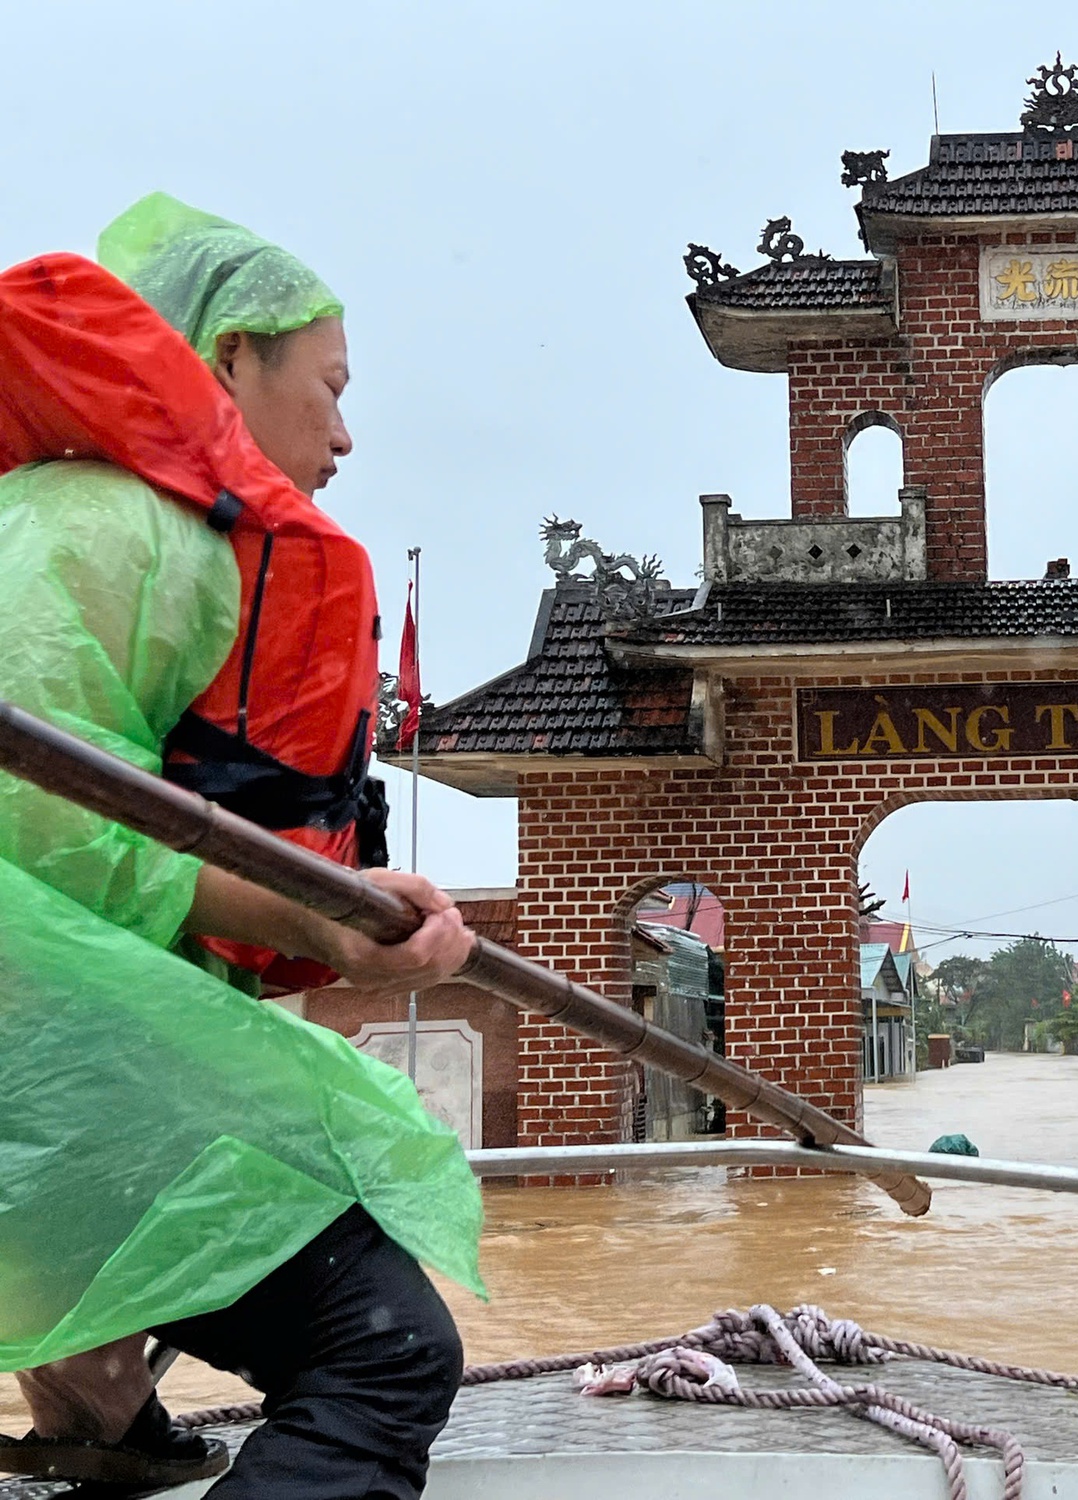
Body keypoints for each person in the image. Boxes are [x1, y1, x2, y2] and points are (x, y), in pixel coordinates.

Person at [0, 195, 483, 1497]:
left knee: (267, 1178)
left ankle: (96, 1416)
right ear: (226, 358)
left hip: (65, 1080)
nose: (343, 431)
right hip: (40, 1088)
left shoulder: (133, 534)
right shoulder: (100, 525)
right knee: (383, 1354)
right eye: (325, 385)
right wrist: (315, 921)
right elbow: (40, 837)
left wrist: (332, 911)